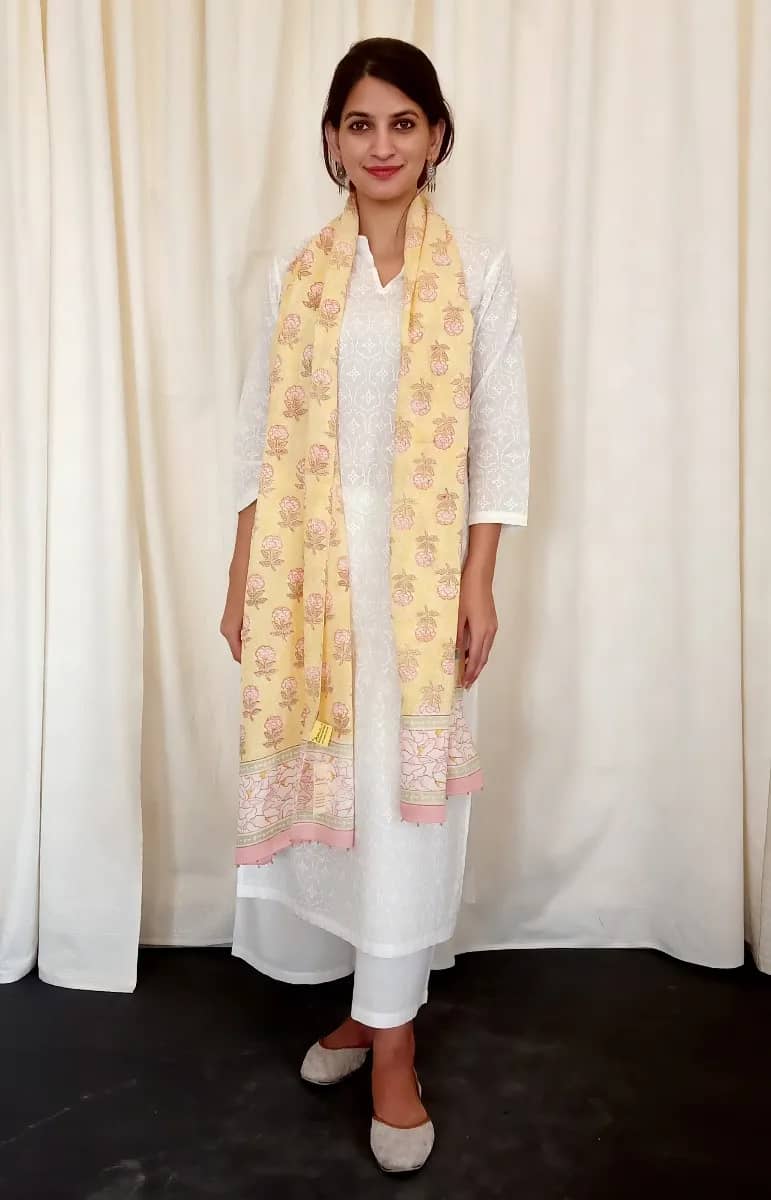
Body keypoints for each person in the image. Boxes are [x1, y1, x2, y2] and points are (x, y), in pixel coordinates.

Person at [220, 36, 530, 1174]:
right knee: (339, 792)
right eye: (361, 123)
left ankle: (393, 1046)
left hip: (419, 578)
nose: (382, 144)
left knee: (403, 807)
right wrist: (241, 568)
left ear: (437, 137)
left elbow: (498, 438)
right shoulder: (297, 277)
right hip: (308, 572)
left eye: (404, 122)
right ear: (332, 142)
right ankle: (368, 1003)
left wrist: (479, 579)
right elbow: (258, 430)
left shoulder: (477, 273)